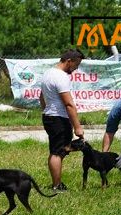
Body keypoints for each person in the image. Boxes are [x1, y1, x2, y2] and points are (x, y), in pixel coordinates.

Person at [39, 49, 85, 192]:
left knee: (59, 150)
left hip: (49, 116)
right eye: (76, 65)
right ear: (69, 61)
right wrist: (77, 127)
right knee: (57, 152)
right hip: (58, 118)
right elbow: (69, 104)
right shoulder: (61, 77)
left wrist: (46, 110)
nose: (76, 68)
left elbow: (42, 96)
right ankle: (57, 185)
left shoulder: (48, 73)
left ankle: (56, 182)